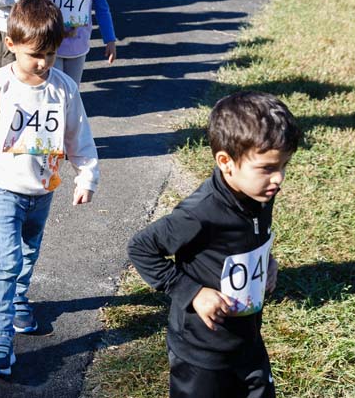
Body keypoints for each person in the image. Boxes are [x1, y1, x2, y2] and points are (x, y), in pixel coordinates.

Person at [0, 0, 99, 376]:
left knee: (29, 253)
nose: (43, 63)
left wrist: (87, 175)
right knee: (7, 260)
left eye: (50, 53)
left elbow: (78, 136)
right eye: (35, 54)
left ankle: (18, 302)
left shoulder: (63, 88)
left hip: (43, 189)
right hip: (5, 188)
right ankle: (0, 341)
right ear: (11, 44)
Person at [127, 91, 301, 398]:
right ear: (226, 161)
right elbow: (141, 248)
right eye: (268, 168)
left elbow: (254, 238)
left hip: (247, 342)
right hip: (200, 353)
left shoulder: (259, 195)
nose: (279, 179)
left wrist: (268, 262)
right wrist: (192, 292)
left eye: (284, 166)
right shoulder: (199, 213)